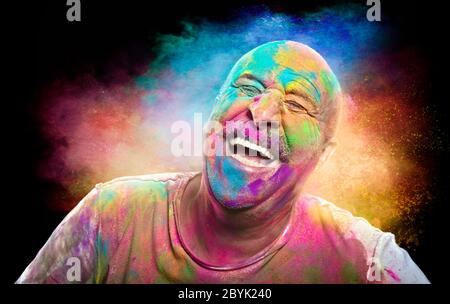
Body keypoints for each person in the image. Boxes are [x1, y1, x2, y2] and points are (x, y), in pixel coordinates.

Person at [17, 40, 429, 283]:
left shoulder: (367, 261)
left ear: (323, 152)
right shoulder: (110, 215)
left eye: (298, 103)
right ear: (214, 108)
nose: (262, 111)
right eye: (247, 87)